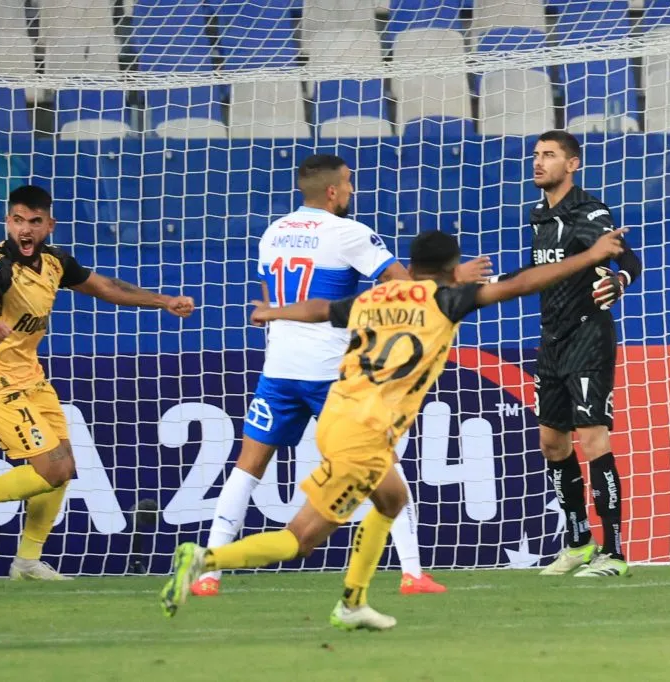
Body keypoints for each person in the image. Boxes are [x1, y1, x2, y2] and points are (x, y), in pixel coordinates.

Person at [161, 227, 626, 630]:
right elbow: (523, 284)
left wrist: (273, 313)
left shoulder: (374, 297)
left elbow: (323, 308)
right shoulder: (446, 301)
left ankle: (354, 603)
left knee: (392, 498)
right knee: (300, 539)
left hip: (342, 416)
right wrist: (589, 256)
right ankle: (205, 559)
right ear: (452, 268)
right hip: (361, 433)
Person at [192, 154, 491, 597]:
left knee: (248, 465)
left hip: (279, 367)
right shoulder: (349, 232)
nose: (352, 190)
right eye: (349, 183)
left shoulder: (274, 231)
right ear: (333, 191)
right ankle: (412, 572)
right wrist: (452, 278)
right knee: (381, 459)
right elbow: (403, 286)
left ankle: (207, 574)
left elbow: (268, 297)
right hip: (333, 374)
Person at [0, 185, 195, 580]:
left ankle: (26, 561)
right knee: (52, 468)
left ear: (49, 225)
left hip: (32, 378)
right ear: (8, 222)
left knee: (63, 466)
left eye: (35, 222)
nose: (26, 230)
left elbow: (107, 288)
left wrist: (164, 301)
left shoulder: (56, 262)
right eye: (19, 221)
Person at [497, 130, 643, 577]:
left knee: (593, 438)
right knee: (552, 443)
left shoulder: (590, 211)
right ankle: (578, 542)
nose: (538, 163)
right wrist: (493, 286)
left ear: (572, 164)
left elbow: (628, 261)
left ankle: (614, 553)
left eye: (549, 156)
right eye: (536, 155)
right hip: (552, 340)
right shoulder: (539, 214)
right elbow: (542, 270)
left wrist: (619, 282)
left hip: (588, 337)